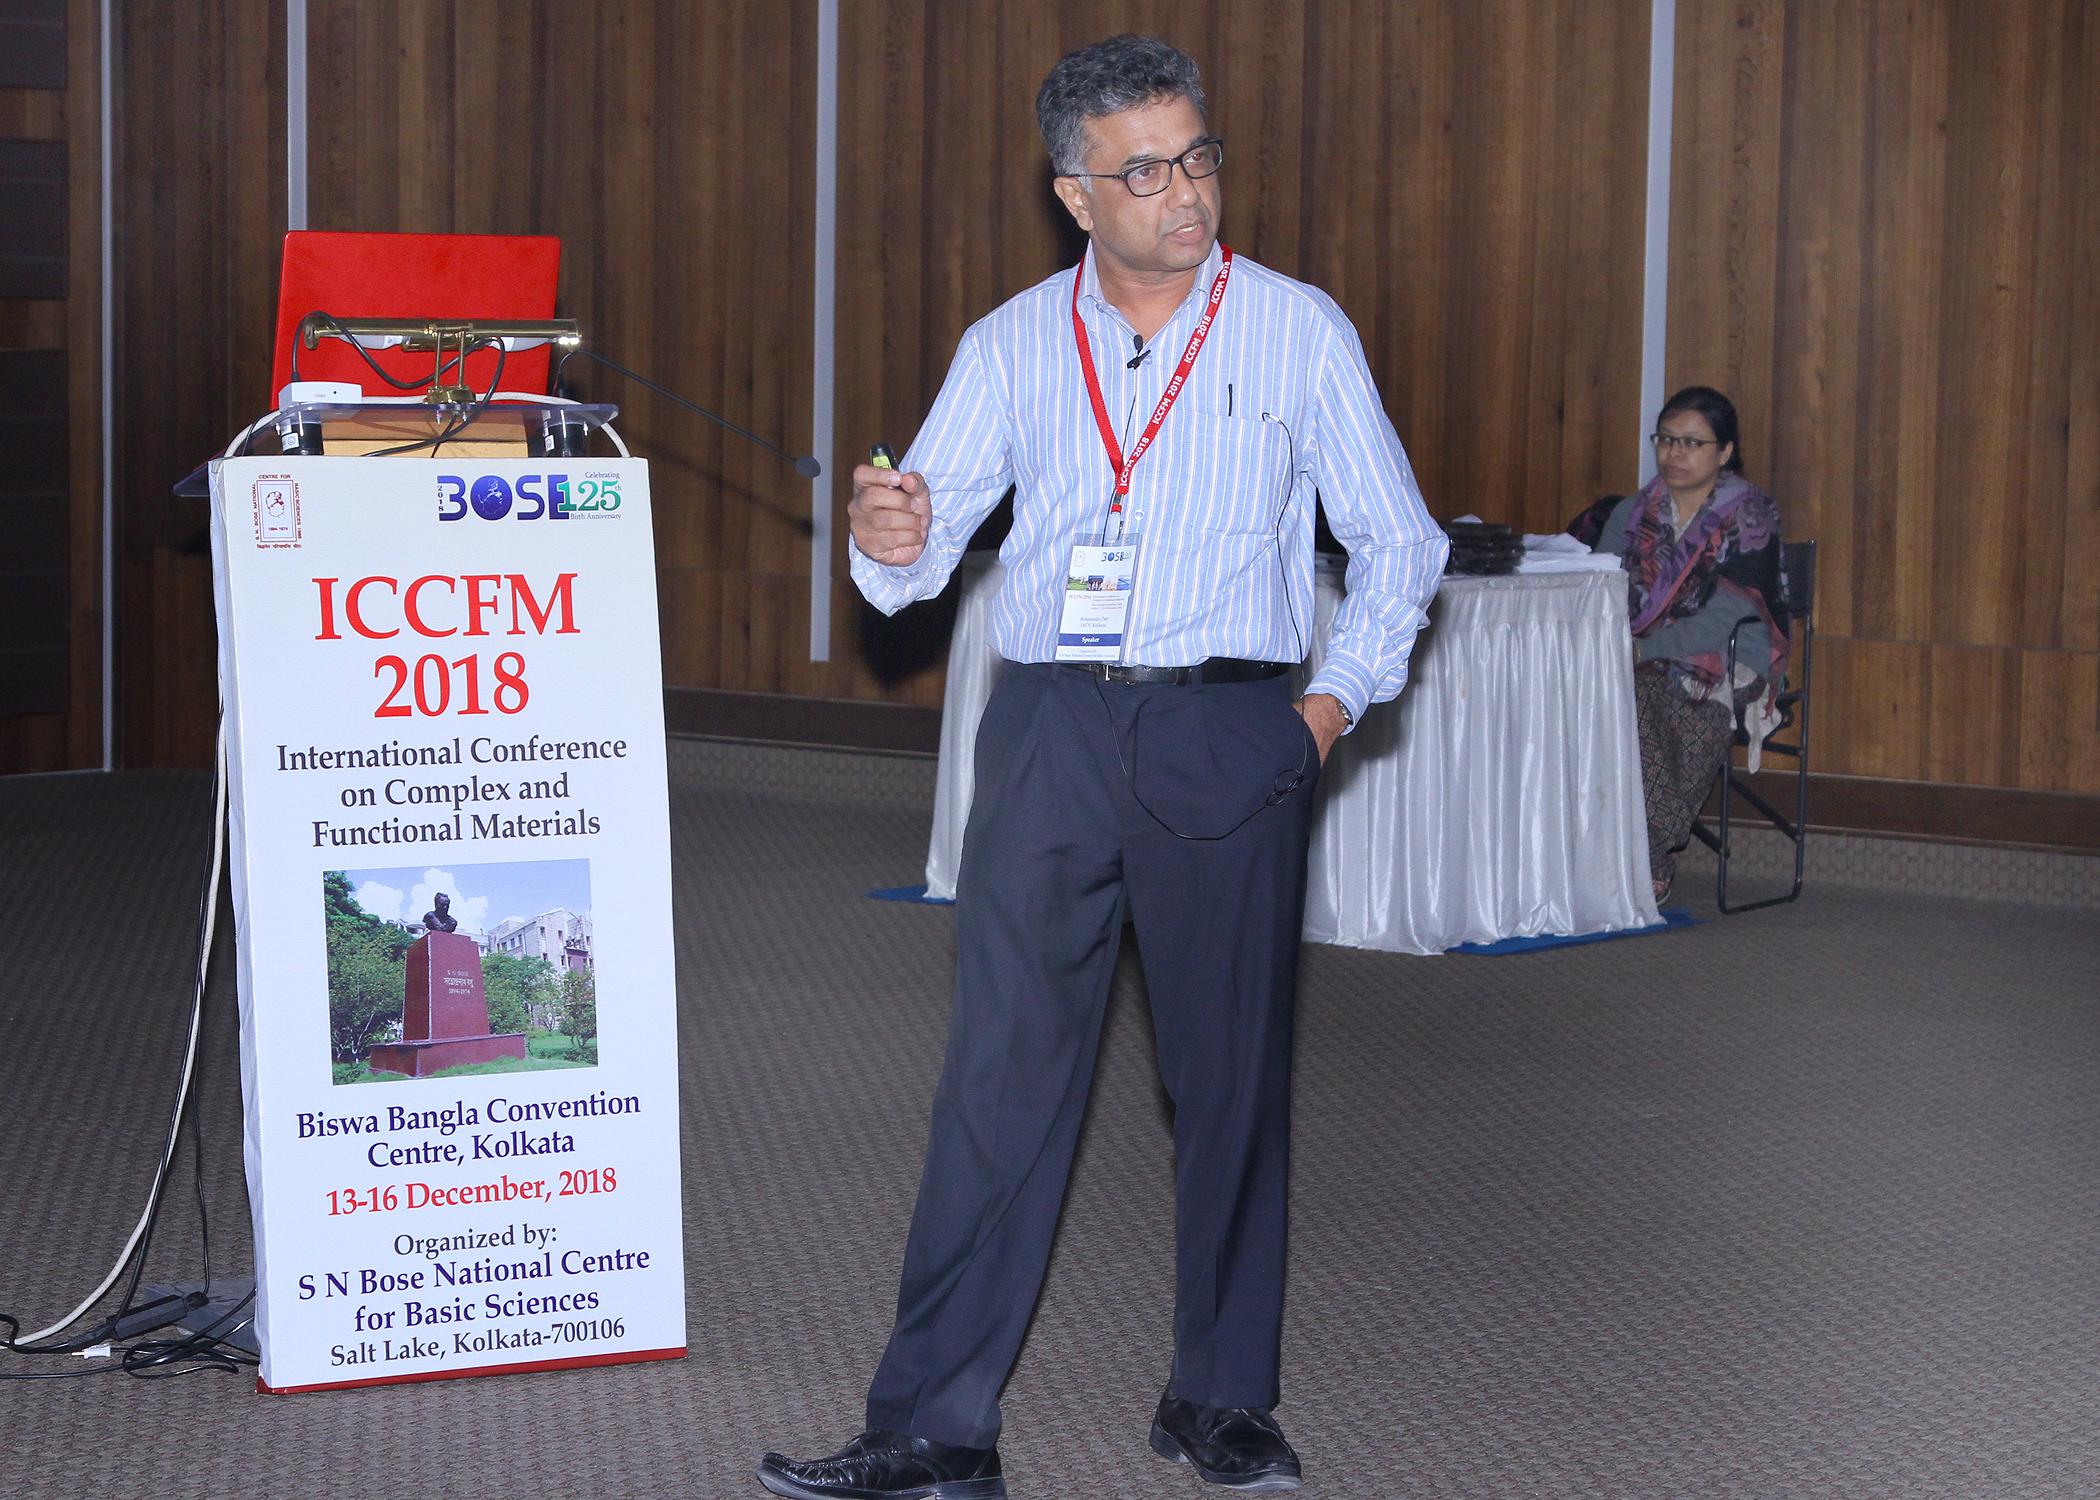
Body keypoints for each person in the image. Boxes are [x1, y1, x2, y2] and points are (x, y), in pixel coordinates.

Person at [756, 35, 1445, 1500]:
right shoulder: (1011, 344)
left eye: (1199, 157)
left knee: (1228, 1080)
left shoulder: (1297, 332)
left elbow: (1399, 541)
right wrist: (889, 536)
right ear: (1076, 194)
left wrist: (1325, 712)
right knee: (1000, 1077)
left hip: (1228, 727)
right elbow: (914, 553)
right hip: (1053, 732)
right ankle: (936, 1428)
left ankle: (1221, 1399)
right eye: (1145, 172)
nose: (1185, 193)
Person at [1596, 386, 1787, 902]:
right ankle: (1645, 858)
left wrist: (1644, 651)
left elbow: (1726, 617)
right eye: (1665, 440)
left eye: (1692, 442)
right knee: (1610, 696)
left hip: (1726, 655)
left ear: (1724, 452)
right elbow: (1598, 591)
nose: (1674, 453)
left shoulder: (1751, 516)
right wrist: (1628, 649)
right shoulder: (1630, 513)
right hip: (1633, 653)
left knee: (1648, 700)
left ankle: (1644, 853)